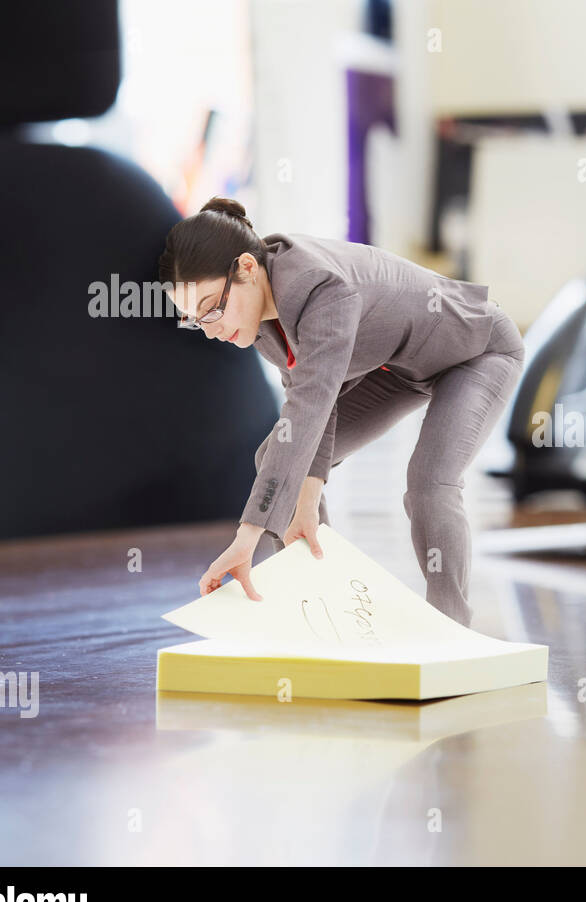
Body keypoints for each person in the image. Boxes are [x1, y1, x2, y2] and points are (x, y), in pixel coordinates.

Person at [161, 197, 524, 627]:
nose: (211, 329)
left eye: (210, 308)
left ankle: (452, 628)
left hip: (477, 352)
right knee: (276, 463)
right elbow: (314, 405)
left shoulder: (319, 288)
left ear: (246, 268)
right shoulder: (257, 318)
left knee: (429, 482)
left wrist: (247, 537)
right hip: (399, 371)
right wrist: (304, 505)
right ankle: (326, 611)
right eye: (195, 319)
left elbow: (311, 406)